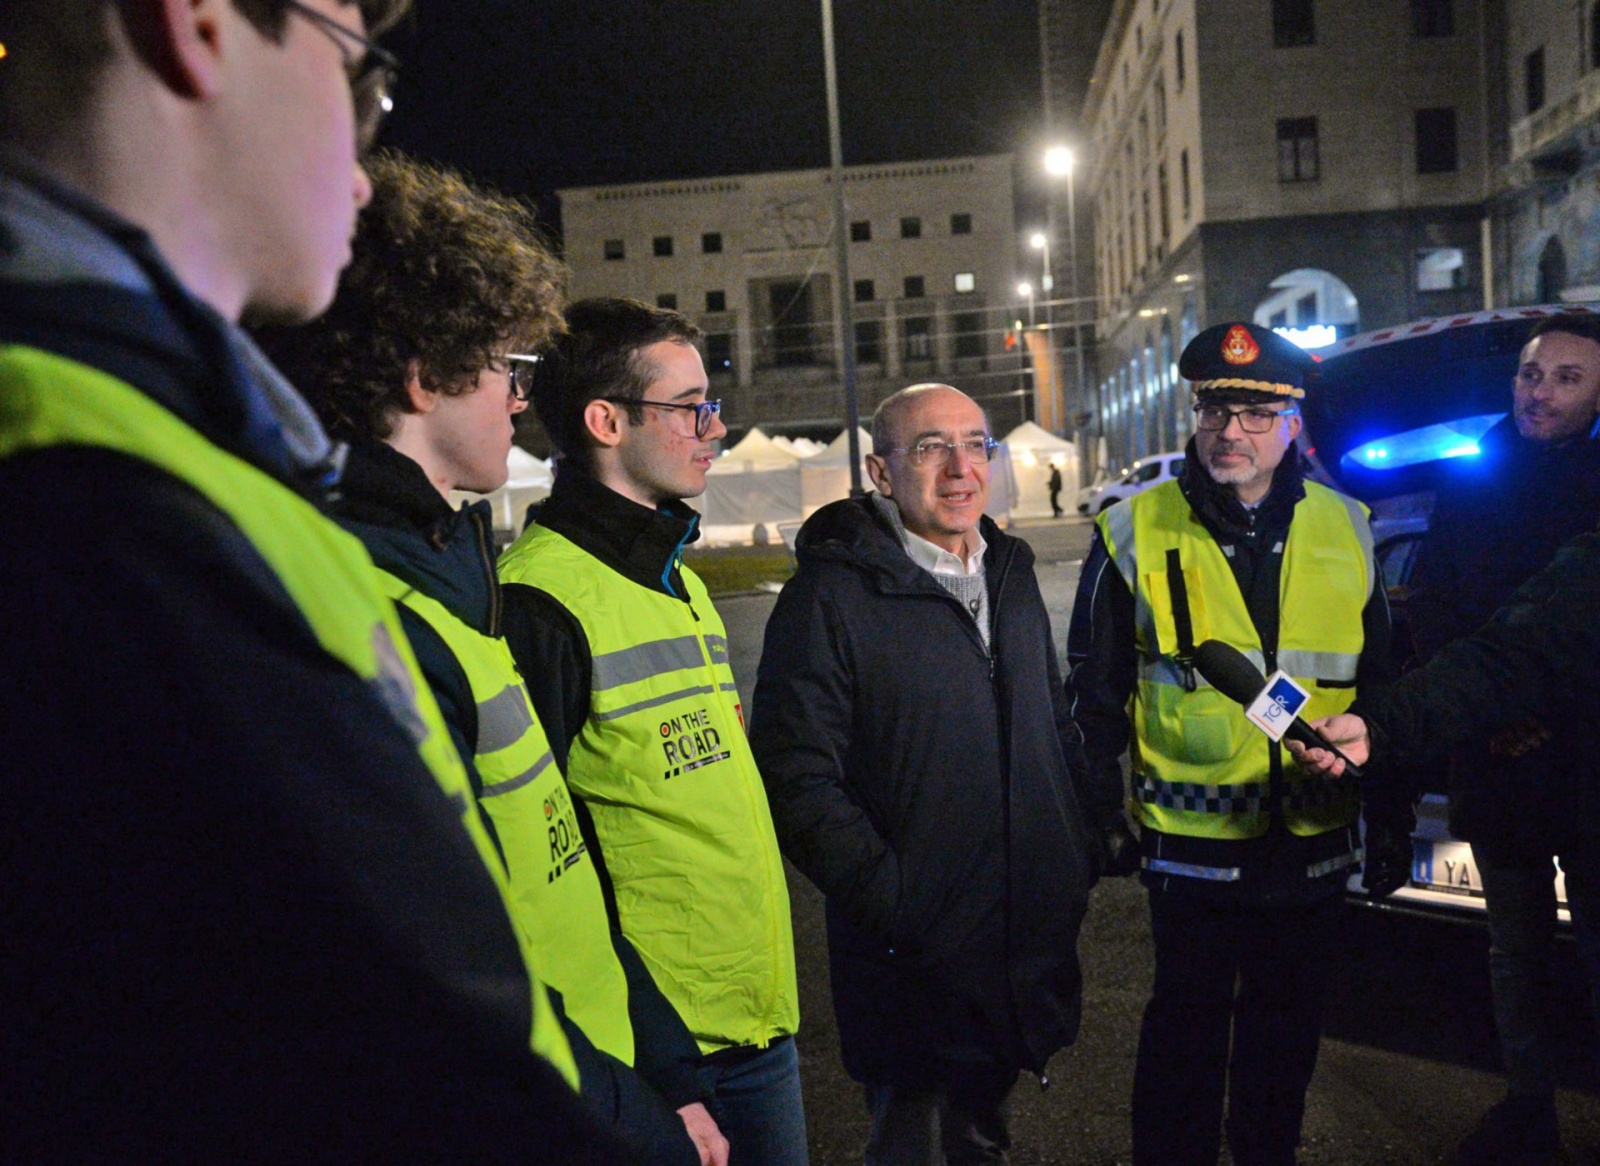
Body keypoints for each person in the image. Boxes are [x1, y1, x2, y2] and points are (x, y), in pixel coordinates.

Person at [0, 1, 626, 1161]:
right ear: (192, 24)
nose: (359, 176)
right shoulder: (102, 506)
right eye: (358, 80)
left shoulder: (166, 458)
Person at [255, 152, 728, 1166]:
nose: (521, 403)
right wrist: (638, 1120)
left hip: (601, 1081)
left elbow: (558, 864)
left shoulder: (454, 567)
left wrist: (658, 1068)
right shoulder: (378, 610)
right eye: (507, 371)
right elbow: (451, 969)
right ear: (426, 375)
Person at [749, 383, 1122, 1164]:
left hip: (1016, 938)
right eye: (929, 448)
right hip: (911, 961)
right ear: (881, 473)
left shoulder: (1010, 570)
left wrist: (1078, 846)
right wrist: (900, 903)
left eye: (975, 444)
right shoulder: (831, 595)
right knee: (914, 1140)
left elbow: (1052, 721)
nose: (960, 468)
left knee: (982, 1136)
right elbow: (795, 777)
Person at [1064, 322, 1394, 1166]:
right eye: (1215, 411)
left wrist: (1387, 814)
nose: (1230, 432)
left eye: (1254, 413)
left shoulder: (1350, 525)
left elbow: (1388, 688)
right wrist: (1099, 811)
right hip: (1194, 858)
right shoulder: (1129, 531)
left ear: (1292, 422)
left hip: (1314, 847)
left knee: (1284, 1056)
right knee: (1183, 1050)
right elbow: (1092, 700)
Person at [497, 297, 806, 1164]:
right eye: (689, 406)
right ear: (606, 420)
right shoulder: (539, 601)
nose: (713, 426)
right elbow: (546, 865)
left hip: (753, 1022)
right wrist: (658, 1067)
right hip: (662, 1054)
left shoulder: (677, 579)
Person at [1398, 313, 1600, 1164]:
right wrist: (1496, 717)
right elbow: (1437, 604)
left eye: (1564, 378)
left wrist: (1541, 714)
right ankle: (1529, 1110)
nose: (1538, 392)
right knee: (1512, 949)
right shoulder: (1478, 472)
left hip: (1590, 762)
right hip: (1500, 756)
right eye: (1529, 374)